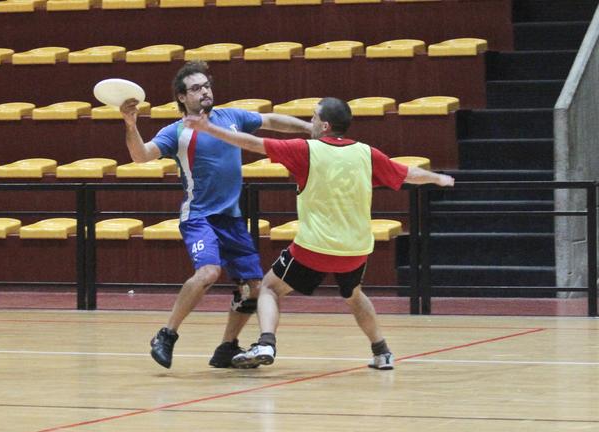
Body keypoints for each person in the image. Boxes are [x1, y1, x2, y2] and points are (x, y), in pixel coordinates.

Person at [183, 97, 455, 370]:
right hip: (355, 251)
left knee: (268, 288)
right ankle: (381, 351)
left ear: (325, 125)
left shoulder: (306, 150)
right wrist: (437, 178)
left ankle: (266, 342)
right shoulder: (366, 153)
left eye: (313, 117)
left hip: (313, 249)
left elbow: (253, 143)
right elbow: (407, 173)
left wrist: (209, 129)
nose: (309, 122)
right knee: (354, 295)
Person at [120, 61, 312, 369]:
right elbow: (141, 155)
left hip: (232, 219)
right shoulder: (176, 132)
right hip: (199, 217)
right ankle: (166, 335)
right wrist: (131, 125)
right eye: (196, 88)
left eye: (206, 85)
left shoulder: (231, 117)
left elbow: (270, 120)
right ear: (182, 97)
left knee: (254, 288)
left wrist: (307, 128)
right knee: (209, 272)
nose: (205, 91)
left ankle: (226, 347)